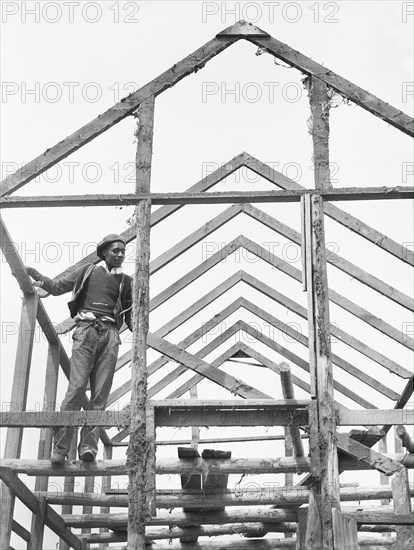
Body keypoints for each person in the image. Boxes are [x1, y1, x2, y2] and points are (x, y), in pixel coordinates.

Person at [25, 234, 133, 464]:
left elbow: (132, 317)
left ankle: (88, 448)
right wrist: (35, 274)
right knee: (76, 389)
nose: (121, 254)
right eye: (116, 250)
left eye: (123, 251)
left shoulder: (127, 281)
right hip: (86, 331)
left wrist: (141, 332)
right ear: (103, 252)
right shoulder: (87, 271)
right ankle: (61, 448)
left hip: (111, 335)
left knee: (100, 395)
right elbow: (56, 287)